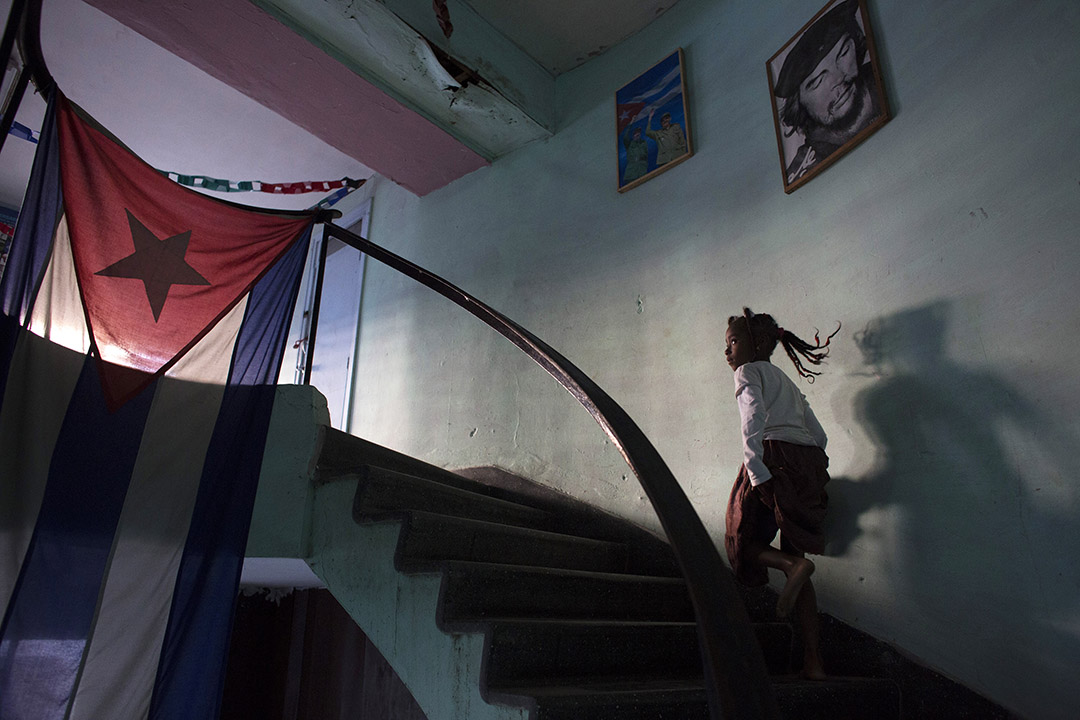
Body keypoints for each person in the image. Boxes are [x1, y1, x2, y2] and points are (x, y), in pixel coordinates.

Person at [723, 308, 839, 680]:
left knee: (740, 540)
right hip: (807, 462)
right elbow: (818, 435)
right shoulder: (785, 380)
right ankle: (814, 662)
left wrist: (757, 472)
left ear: (756, 344)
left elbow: (752, 418)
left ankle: (791, 567)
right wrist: (809, 467)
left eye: (733, 342)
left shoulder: (748, 372)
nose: (727, 352)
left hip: (772, 456)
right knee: (797, 555)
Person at [773, 0, 883, 183]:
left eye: (843, 54)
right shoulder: (805, 168)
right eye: (817, 82)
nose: (838, 78)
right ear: (798, 104)